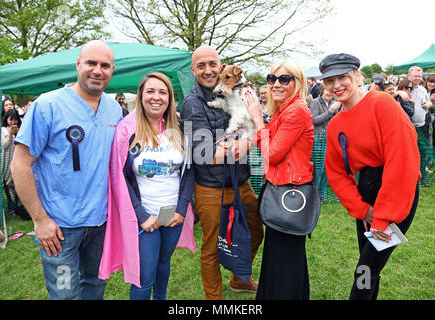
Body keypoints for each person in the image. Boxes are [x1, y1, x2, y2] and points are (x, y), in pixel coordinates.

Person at [11, 40, 122, 300]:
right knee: (64, 295)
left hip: (101, 222)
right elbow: (20, 164)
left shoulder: (114, 109)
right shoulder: (47, 105)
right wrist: (40, 221)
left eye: (105, 65)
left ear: (112, 69)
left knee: (95, 286)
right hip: (59, 228)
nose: (98, 70)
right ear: (77, 64)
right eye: (91, 63)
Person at [320, 53, 420, 300]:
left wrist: (383, 216)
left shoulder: (382, 104)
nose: (336, 86)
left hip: (397, 193)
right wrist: (361, 209)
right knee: (370, 268)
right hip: (366, 197)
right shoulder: (335, 125)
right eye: (329, 80)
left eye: (342, 77)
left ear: (356, 75)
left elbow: (402, 161)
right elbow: (336, 173)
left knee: (365, 268)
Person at [98, 72, 196, 300]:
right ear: (140, 96)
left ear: (170, 98)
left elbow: (189, 170)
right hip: (144, 219)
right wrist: (142, 215)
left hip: (172, 214)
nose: (156, 97)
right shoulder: (127, 131)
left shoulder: (177, 129)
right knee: (144, 279)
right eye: (150, 91)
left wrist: (182, 209)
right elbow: (119, 178)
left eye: (163, 92)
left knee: (163, 265)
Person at [180, 45, 264, 300]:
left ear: (221, 65)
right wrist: (243, 143)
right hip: (210, 188)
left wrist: (247, 139)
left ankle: (239, 279)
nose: (208, 70)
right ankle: (213, 298)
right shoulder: (192, 103)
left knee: (256, 230)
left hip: (240, 181)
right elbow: (202, 153)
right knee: (212, 247)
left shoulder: (233, 91)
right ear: (193, 70)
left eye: (212, 64)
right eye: (201, 66)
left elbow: (254, 123)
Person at [243, 59, 315, 300]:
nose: (276, 84)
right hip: (280, 190)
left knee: (286, 258)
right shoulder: (284, 109)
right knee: (279, 257)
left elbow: (272, 154)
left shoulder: (295, 110)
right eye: (272, 79)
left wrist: (256, 119)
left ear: (298, 83)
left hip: (289, 195)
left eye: (284, 79)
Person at [309, 83, 341, 200]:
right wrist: (330, 112)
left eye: (331, 91)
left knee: (327, 169)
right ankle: (315, 194)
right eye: (327, 90)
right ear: (322, 91)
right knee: (319, 168)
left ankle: (322, 194)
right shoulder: (315, 103)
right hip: (318, 140)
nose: (329, 93)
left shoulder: (333, 103)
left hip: (329, 140)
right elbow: (313, 120)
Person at [408, 66, 433, 186]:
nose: (417, 78)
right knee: (411, 153)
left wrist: (428, 104)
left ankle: (423, 177)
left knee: (422, 152)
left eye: (419, 76)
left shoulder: (423, 90)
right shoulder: (404, 89)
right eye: (415, 76)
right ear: (409, 76)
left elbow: (428, 102)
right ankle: (413, 177)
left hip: (422, 125)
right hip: (409, 126)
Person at [1, 109, 22, 217]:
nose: (13, 122)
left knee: (19, 184)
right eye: (11, 119)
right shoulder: (3, 130)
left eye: (15, 119)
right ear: (6, 119)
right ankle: (11, 209)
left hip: (19, 159)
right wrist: (10, 134)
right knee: (8, 185)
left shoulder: (21, 129)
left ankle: (20, 207)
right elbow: (4, 145)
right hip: (7, 161)